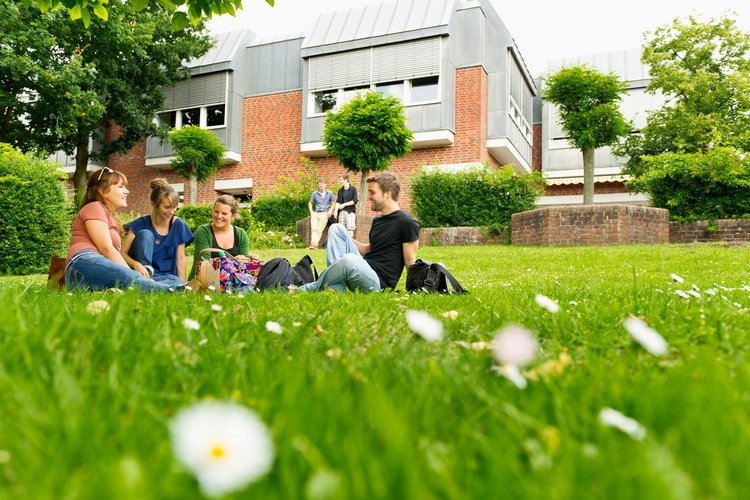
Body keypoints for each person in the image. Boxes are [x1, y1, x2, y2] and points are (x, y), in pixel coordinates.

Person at [296, 172, 420, 293]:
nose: (369, 196)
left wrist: (414, 290)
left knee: (348, 259)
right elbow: (369, 250)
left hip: (378, 283)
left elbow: (410, 261)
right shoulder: (378, 221)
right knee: (336, 228)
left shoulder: (407, 222)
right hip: (364, 267)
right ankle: (337, 287)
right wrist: (345, 239)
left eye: (372, 192)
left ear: (388, 194)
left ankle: (305, 289)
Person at [65, 167, 175, 293]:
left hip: (97, 267)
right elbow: (106, 248)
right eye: (121, 186)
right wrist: (133, 274)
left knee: (170, 278)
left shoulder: (109, 216)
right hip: (83, 263)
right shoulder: (94, 207)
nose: (127, 191)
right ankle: (176, 291)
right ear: (102, 191)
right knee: (131, 279)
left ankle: (176, 285)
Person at [120, 178, 194, 289]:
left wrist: (183, 283)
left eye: (175, 207)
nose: (172, 211)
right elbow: (122, 253)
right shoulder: (140, 224)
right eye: (167, 207)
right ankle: (150, 283)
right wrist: (136, 264)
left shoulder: (178, 225)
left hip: (167, 277)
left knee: (175, 280)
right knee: (146, 234)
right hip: (142, 274)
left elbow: (180, 258)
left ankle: (153, 286)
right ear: (154, 204)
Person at [188, 195, 261, 280]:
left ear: (232, 216)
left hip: (232, 283)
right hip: (204, 282)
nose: (219, 216)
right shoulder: (203, 231)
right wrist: (233, 261)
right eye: (216, 211)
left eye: (224, 213)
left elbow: (243, 268)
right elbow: (205, 263)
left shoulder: (241, 234)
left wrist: (249, 260)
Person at [307, 176, 335, 249]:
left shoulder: (330, 193)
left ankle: (314, 245)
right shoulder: (314, 194)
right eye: (319, 184)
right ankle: (314, 245)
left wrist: (329, 212)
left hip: (325, 213)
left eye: (322, 184)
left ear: (325, 184)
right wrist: (311, 212)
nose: (321, 185)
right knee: (314, 229)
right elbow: (310, 203)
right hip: (316, 213)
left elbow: (333, 203)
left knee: (319, 229)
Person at [334, 173, 358, 238]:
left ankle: (350, 245)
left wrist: (344, 204)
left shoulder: (353, 189)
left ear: (346, 180)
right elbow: (338, 201)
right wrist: (336, 211)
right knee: (341, 230)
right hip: (342, 212)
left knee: (350, 229)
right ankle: (343, 246)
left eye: (341, 180)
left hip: (350, 212)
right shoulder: (340, 191)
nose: (339, 181)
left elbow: (355, 200)